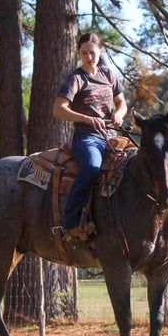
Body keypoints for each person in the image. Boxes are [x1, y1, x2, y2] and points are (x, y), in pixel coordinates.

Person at [52, 32, 128, 241]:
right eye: (84, 53)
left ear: (100, 52)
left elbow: (122, 103)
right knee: (93, 167)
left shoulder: (108, 75)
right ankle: (71, 223)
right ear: (79, 53)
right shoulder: (76, 78)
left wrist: (119, 115)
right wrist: (85, 118)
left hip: (111, 136)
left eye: (92, 52)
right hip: (87, 138)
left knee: (133, 164)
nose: (89, 57)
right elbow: (58, 109)